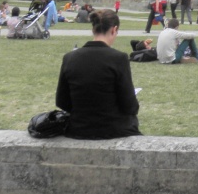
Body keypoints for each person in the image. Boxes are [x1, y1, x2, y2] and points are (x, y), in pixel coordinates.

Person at [55, 9, 140, 139]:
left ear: (93, 29)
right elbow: (130, 105)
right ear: (114, 29)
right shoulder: (118, 58)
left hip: (78, 128)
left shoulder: (69, 58)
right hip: (112, 129)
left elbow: (62, 101)